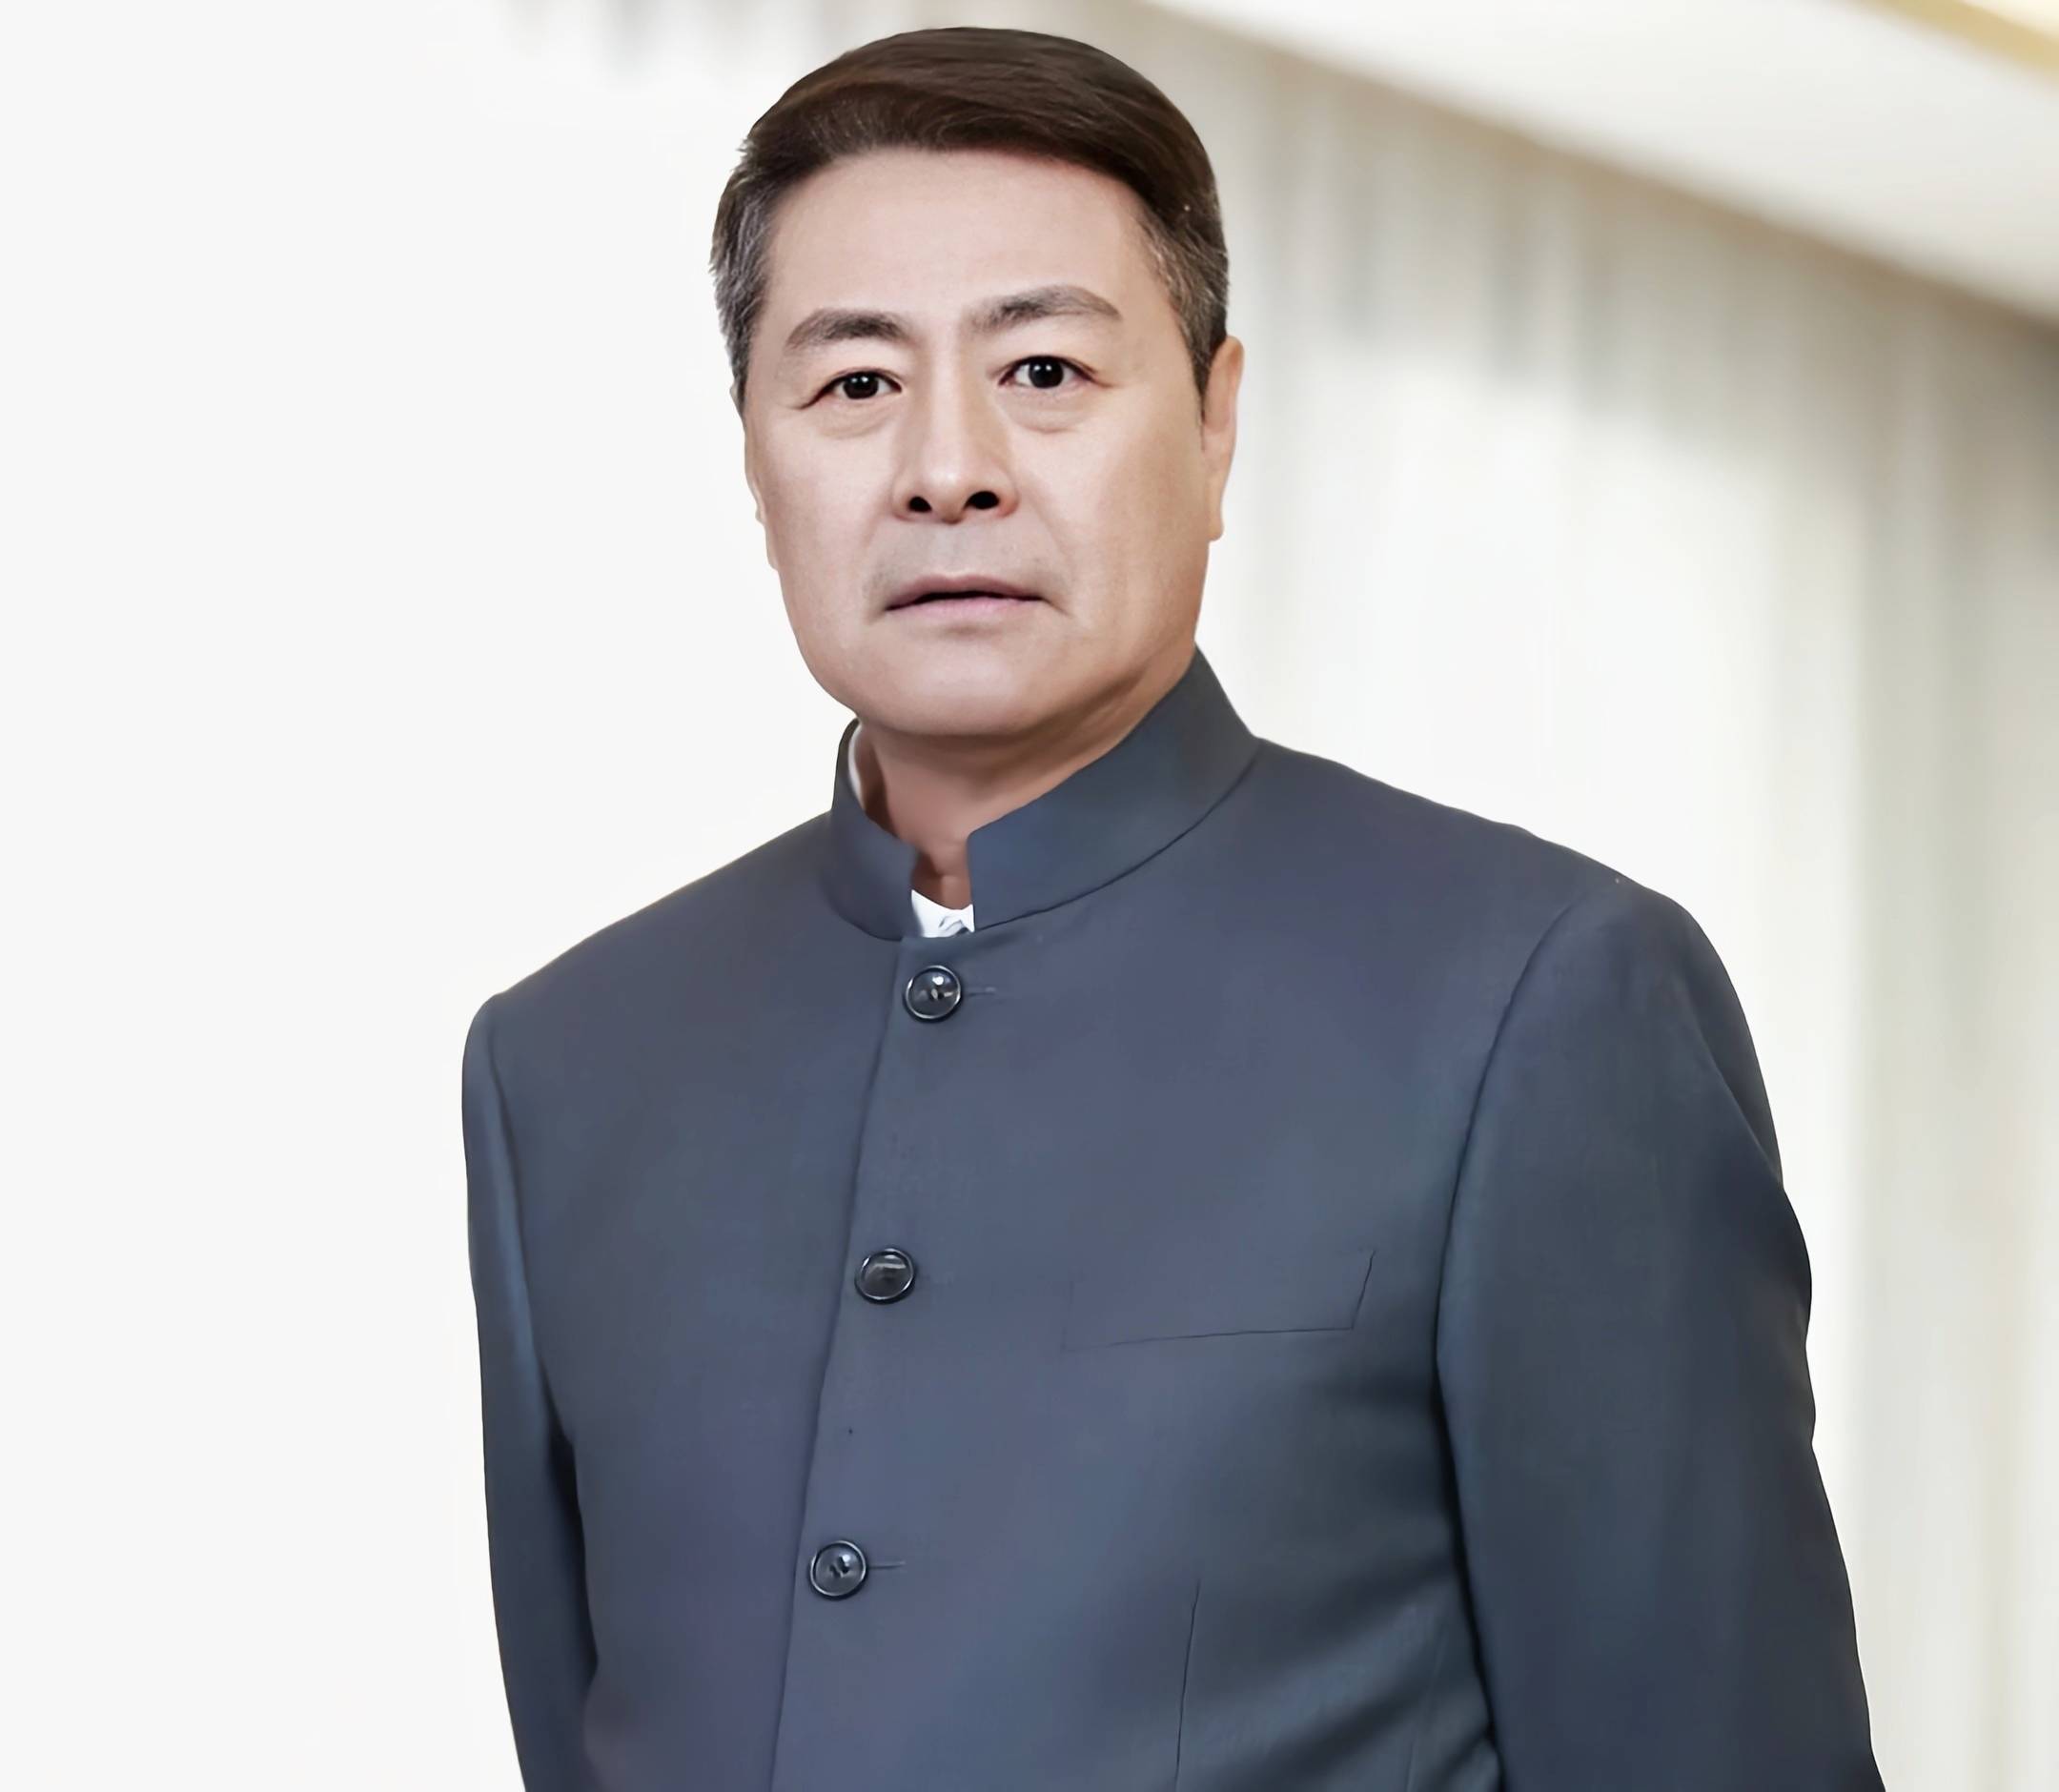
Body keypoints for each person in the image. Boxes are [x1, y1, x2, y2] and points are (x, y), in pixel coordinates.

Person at [461, 25, 1881, 1790]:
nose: (949, 467)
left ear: (1216, 426)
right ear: (755, 461)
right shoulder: (566, 1063)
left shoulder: (1536, 1001)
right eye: (855, 384)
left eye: (1045, 368)